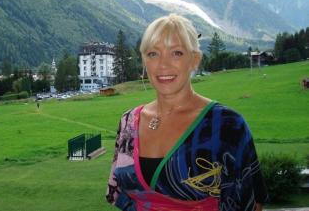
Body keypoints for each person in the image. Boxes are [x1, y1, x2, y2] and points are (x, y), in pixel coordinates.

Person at [106, 14, 267, 211]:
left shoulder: (226, 125)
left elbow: (251, 204)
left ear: (195, 60)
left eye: (177, 53)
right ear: (144, 61)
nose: (163, 64)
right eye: (153, 54)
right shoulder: (128, 122)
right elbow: (119, 194)